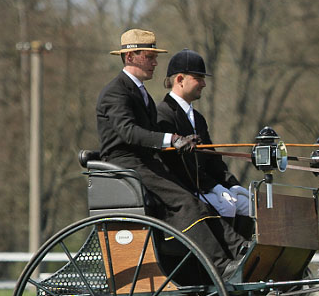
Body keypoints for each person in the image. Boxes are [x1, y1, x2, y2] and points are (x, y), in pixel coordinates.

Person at [95, 29, 248, 280]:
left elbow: (149, 132)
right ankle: (220, 266)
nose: (156, 62)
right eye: (150, 56)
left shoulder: (140, 92)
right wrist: (172, 139)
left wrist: (184, 140)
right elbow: (130, 133)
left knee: (196, 199)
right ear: (131, 56)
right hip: (126, 166)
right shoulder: (116, 92)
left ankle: (238, 247)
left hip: (146, 162)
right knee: (185, 201)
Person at [155, 48, 251, 221]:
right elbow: (176, 165)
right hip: (185, 190)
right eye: (198, 78)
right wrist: (214, 187)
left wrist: (232, 185)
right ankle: (226, 248)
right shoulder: (163, 114)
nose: (204, 84)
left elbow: (213, 159)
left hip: (205, 187)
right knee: (226, 205)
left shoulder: (198, 118)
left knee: (247, 205)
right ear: (180, 79)